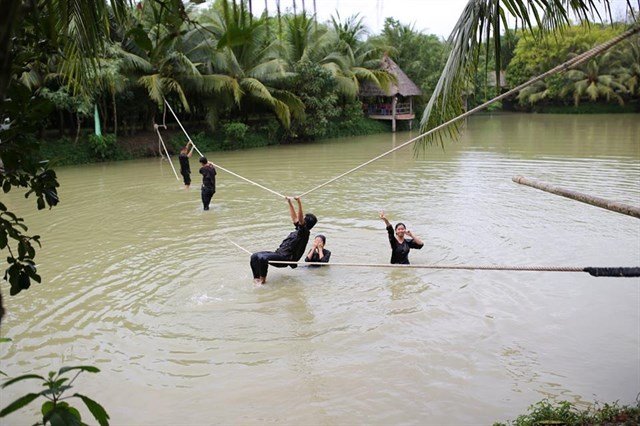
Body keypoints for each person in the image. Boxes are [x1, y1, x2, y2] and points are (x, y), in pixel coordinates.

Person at [250, 197, 317, 284]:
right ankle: (256, 279)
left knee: (263, 258)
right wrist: (290, 203)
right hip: (278, 254)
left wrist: (299, 203)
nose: (300, 218)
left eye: (303, 218)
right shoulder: (299, 230)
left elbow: (300, 220)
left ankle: (263, 281)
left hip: (285, 259)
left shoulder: (304, 233)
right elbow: (294, 218)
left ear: (305, 223)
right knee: (254, 256)